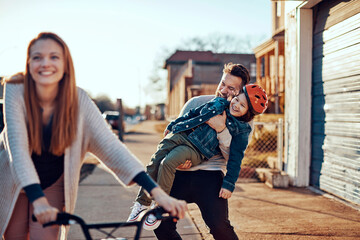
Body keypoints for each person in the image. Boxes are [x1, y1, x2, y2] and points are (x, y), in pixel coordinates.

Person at [0, 32, 187, 240]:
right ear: (28, 63)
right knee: (14, 235)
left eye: (54, 57)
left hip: (53, 181)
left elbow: (111, 148)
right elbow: (17, 149)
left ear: (65, 64)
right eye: (37, 57)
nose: (45, 63)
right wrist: (38, 200)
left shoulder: (78, 99)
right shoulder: (15, 89)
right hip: (15, 178)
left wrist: (158, 193)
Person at [128, 83, 267, 230]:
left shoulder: (241, 130)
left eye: (243, 105)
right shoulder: (218, 103)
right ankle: (141, 203)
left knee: (167, 162)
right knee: (155, 160)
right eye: (237, 99)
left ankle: (159, 209)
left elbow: (235, 159)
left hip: (196, 150)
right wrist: (173, 124)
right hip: (182, 133)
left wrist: (229, 184)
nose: (237, 105)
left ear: (248, 113)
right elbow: (192, 113)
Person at [153, 63, 255, 240]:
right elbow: (175, 135)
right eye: (222, 83)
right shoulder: (196, 102)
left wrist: (222, 130)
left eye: (231, 88)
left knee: (219, 228)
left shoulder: (243, 119)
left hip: (210, 176)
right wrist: (177, 158)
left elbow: (233, 158)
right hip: (180, 174)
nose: (223, 90)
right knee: (160, 223)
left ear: (240, 93)